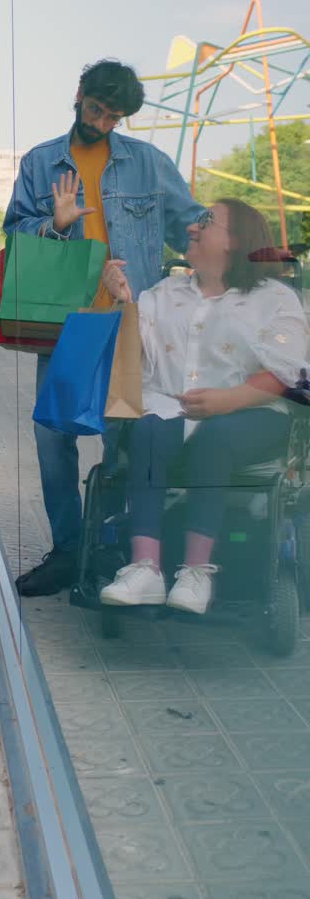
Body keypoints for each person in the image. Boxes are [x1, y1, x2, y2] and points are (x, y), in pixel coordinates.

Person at [4, 58, 205, 596]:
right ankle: (70, 550)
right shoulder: (41, 162)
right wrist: (57, 223)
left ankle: (114, 545)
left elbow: (191, 226)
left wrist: (242, 250)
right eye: (97, 109)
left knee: (126, 439)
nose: (103, 122)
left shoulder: (149, 163)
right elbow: (16, 232)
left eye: (115, 117)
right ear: (79, 95)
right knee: (54, 437)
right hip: (66, 323)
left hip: (130, 324)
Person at [99, 198, 308, 613]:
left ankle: (196, 572)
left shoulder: (274, 299)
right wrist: (122, 302)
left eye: (207, 222)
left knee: (216, 436)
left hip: (254, 414)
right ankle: (146, 569)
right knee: (147, 426)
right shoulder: (166, 293)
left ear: (236, 240)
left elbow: (289, 371)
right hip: (173, 412)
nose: (193, 228)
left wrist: (229, 400)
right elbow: (137, 360)